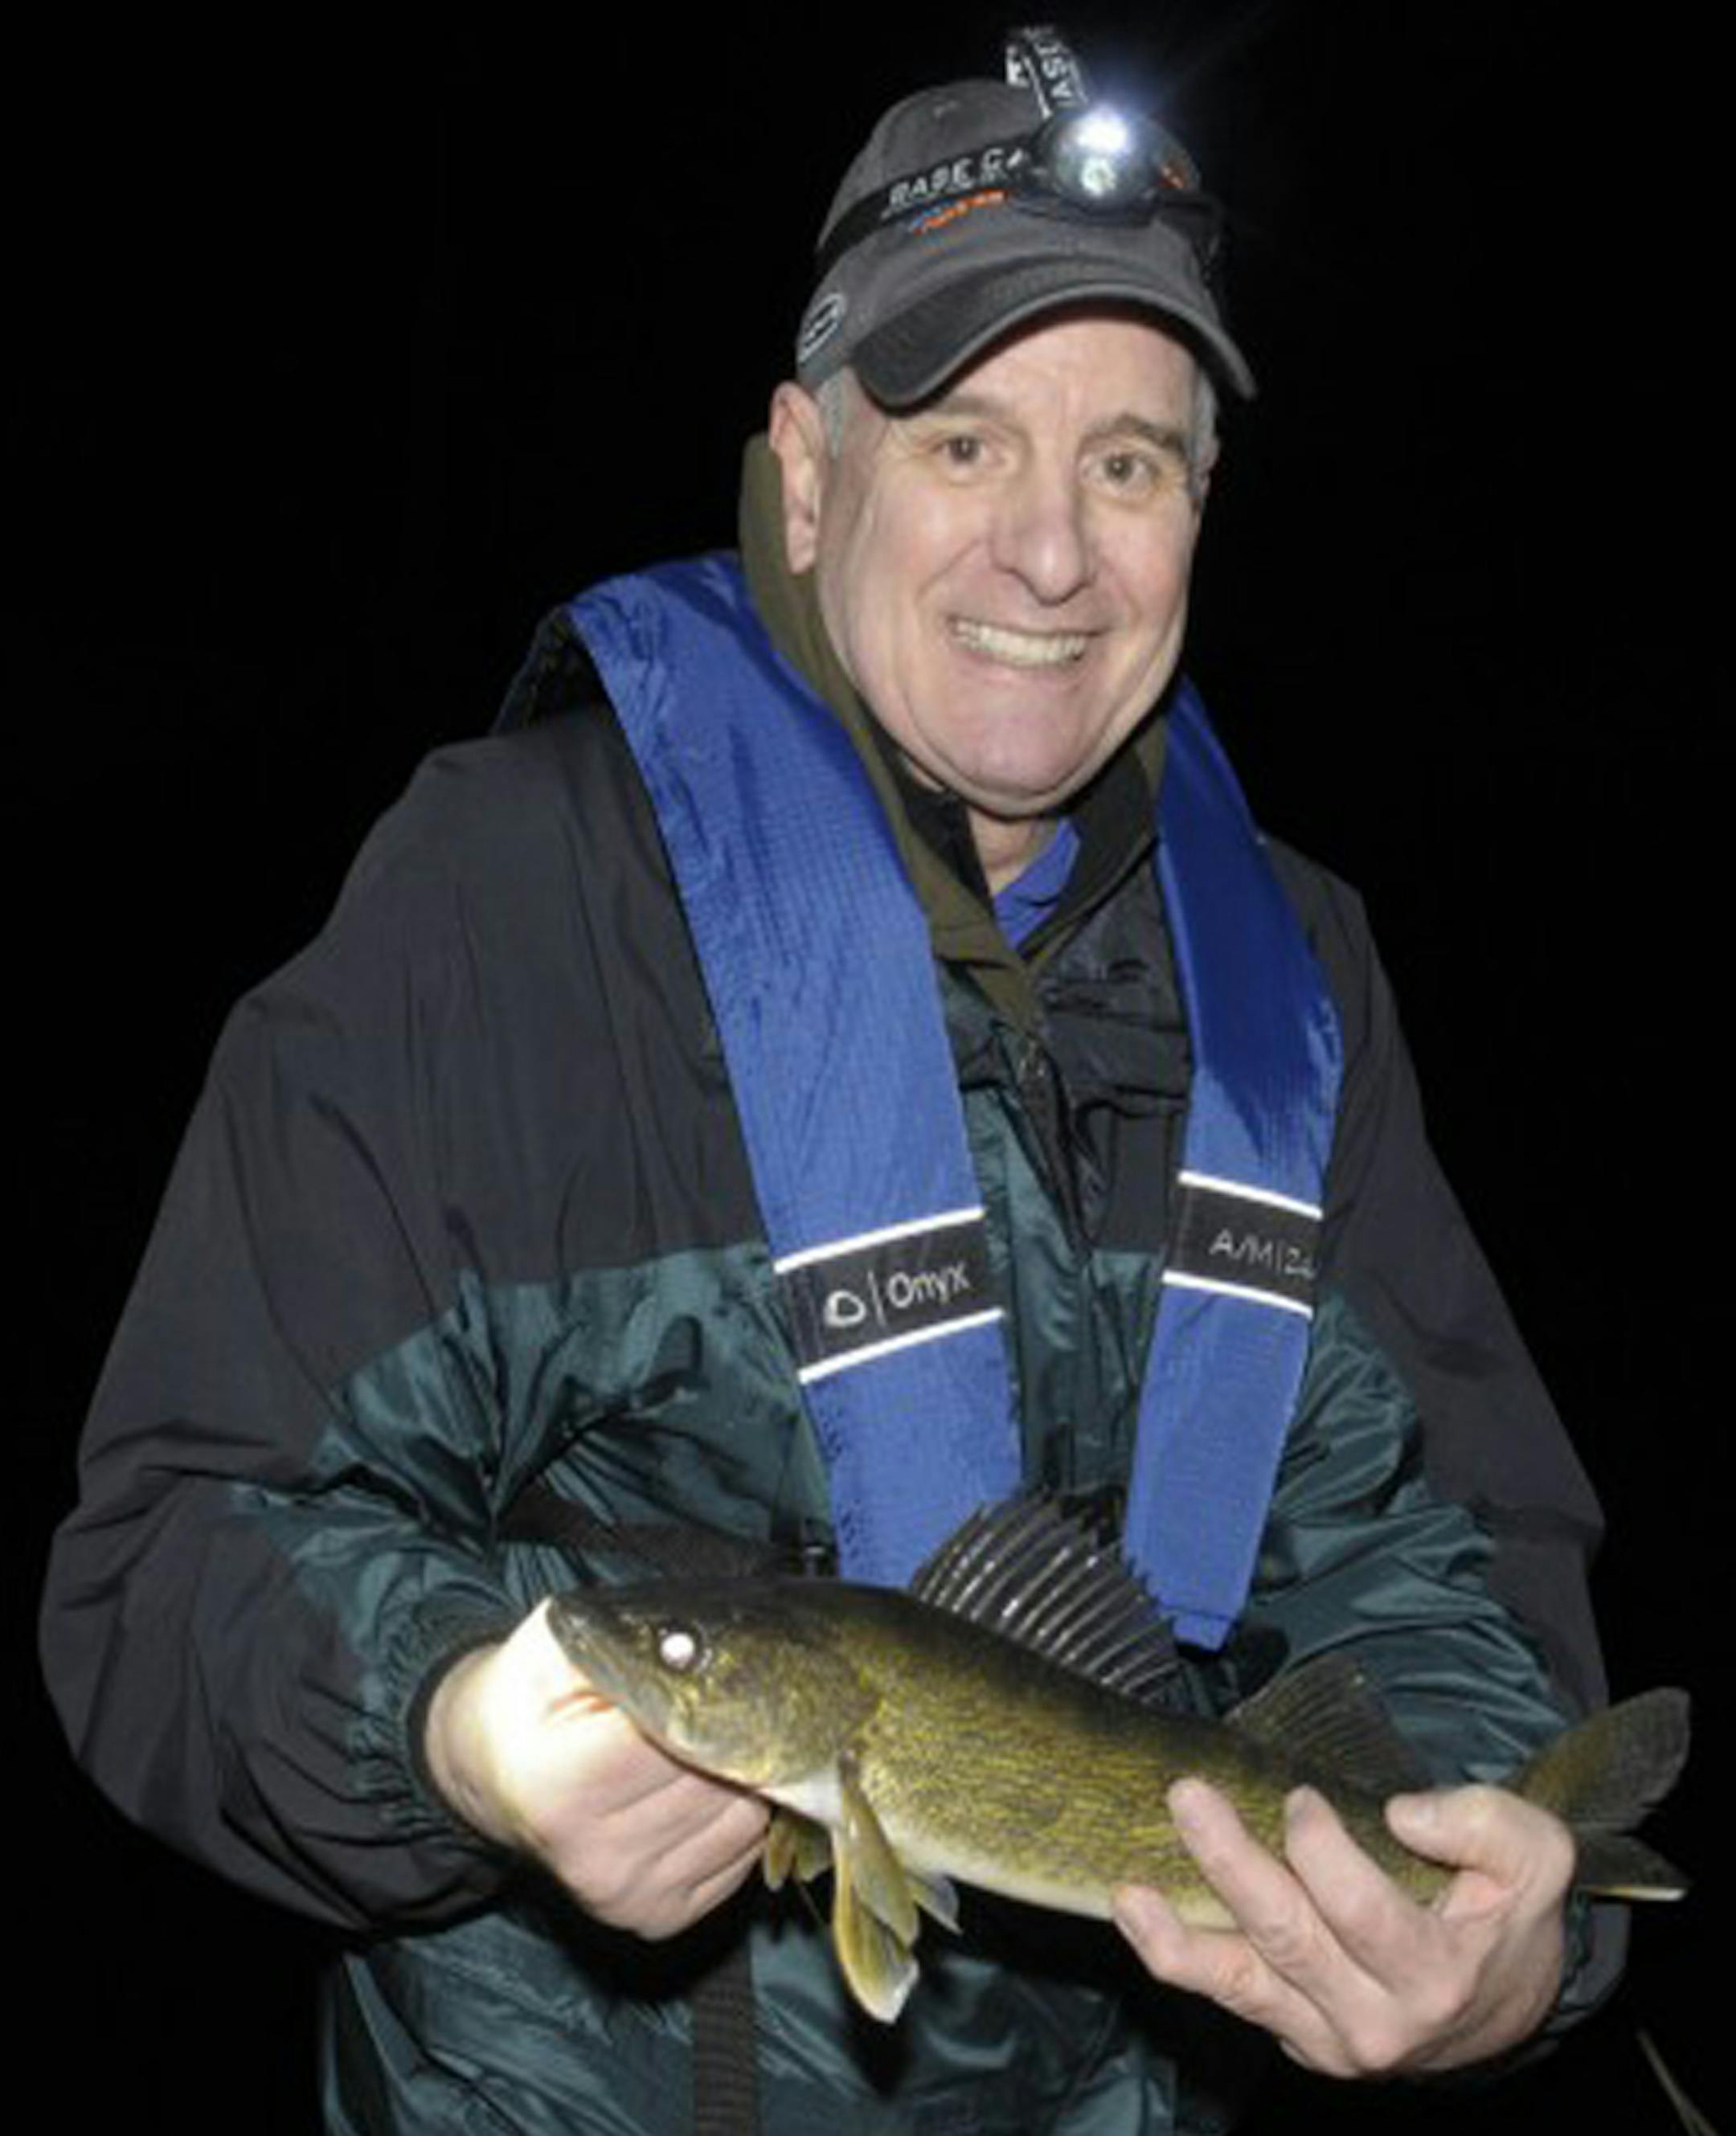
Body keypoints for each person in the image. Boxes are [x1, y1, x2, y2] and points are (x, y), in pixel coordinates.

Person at [40, 26, 1623, 2134]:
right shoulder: (506, 900)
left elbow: (1449, 1553)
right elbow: (163, 1557)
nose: (1052, 557)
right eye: (966, 441)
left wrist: (1518, 1925)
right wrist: (445, 1732)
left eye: (1129, 463)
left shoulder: (1298, 980)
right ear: (808, 466)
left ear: (1204, 506)